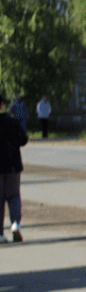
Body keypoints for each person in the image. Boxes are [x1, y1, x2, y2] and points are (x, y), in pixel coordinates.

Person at [0, 94, 28, 244]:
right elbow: (23, 140)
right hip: (12, 165)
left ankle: (0, 234)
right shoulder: (13, 122)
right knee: (13, 196)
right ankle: (15, 224)